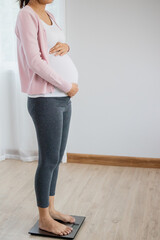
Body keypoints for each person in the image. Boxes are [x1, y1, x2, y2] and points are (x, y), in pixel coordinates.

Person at [15, 0, 79, 236]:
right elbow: (34, 61)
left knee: (56, 157)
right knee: (48, 159)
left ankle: (51, 209)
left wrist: (67, 47)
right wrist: (66, 84)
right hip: (46, 99)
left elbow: (53, 49)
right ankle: (44, 219)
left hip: (62, 98)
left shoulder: (49, 14)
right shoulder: (26, 15)